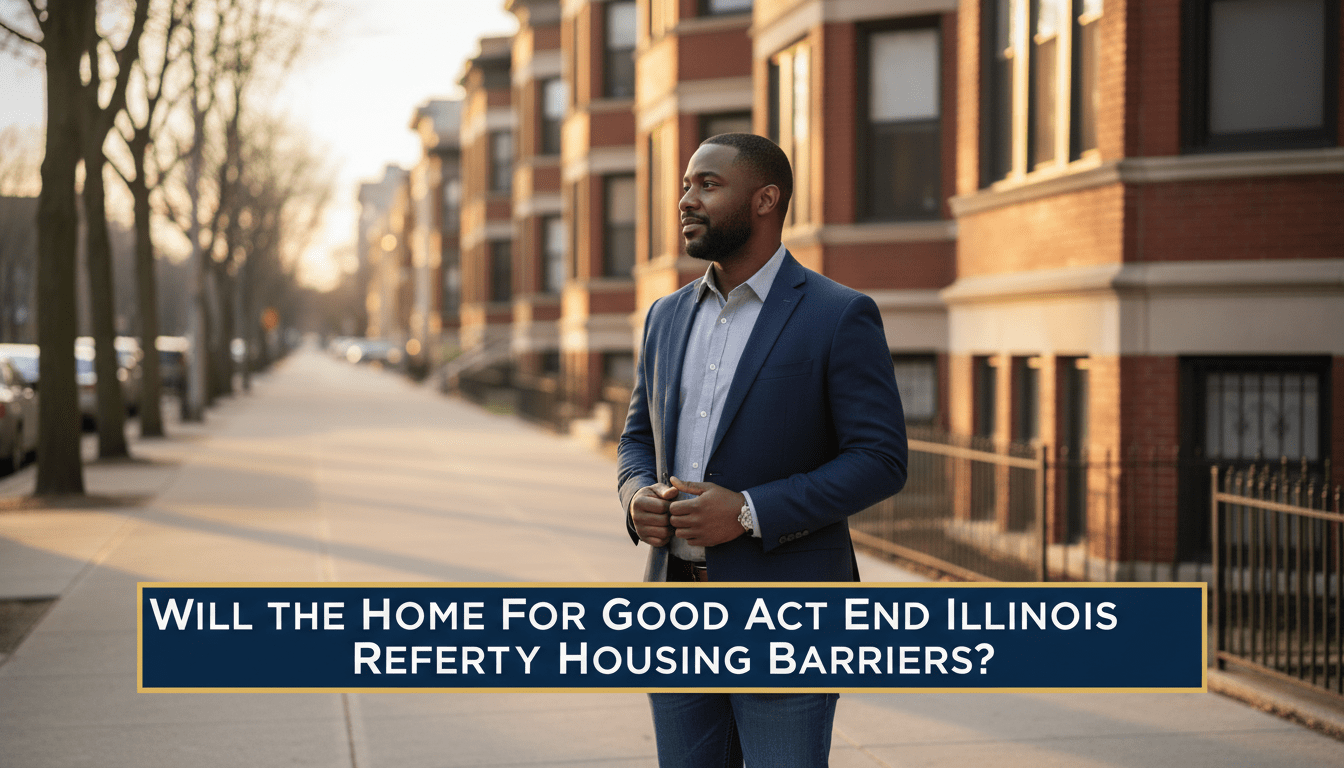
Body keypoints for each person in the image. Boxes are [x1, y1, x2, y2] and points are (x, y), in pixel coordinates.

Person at [616, 133, 908, 767]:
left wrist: (747, 510)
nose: (686, 200)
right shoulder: (665, 316)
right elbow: (639, 436)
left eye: (708, 185)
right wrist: (636, 493)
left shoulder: (838, 314)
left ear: (765, 200)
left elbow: (881, 459)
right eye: (686, 185)